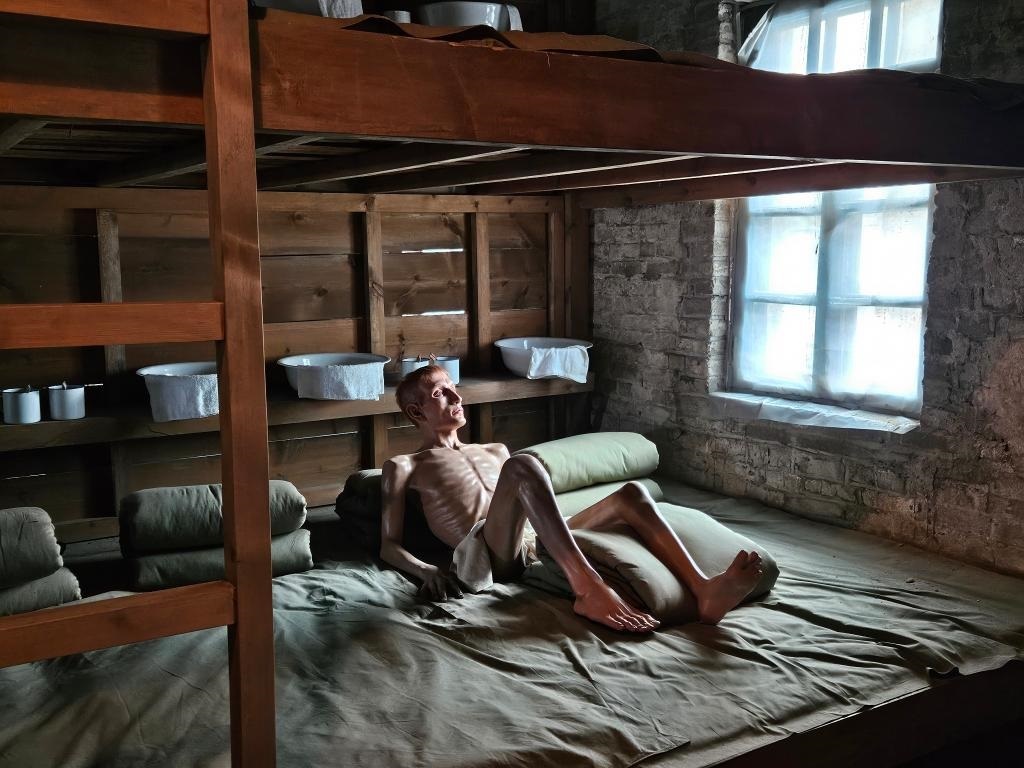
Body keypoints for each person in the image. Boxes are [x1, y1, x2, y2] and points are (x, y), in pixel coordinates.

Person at [380, 365, 764, 634]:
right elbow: (388, 545)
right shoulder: (404, 465)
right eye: (440, 394)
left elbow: (525, 506)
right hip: (489, 556)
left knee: (632, 494)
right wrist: (426, 570)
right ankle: (588, 589)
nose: (456, 396)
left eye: (453, 387)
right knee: (523, 466)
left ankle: (703, 588)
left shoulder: (494, 450)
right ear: (416, 411)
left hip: (532, 540)